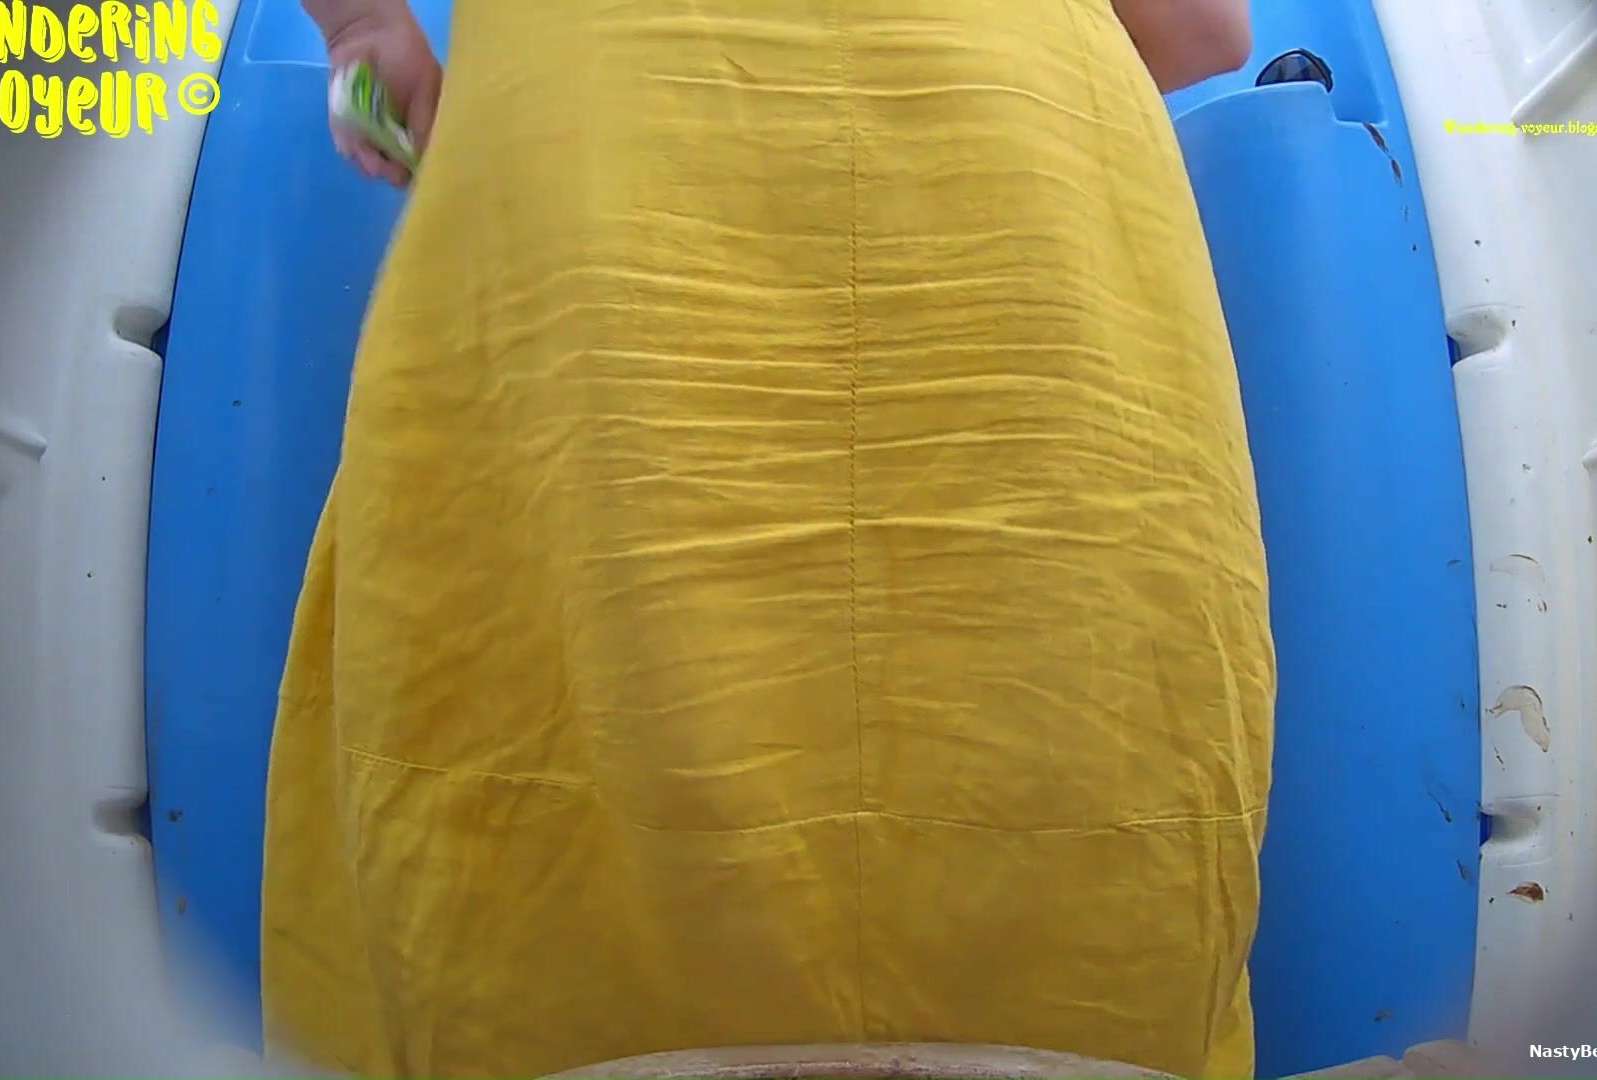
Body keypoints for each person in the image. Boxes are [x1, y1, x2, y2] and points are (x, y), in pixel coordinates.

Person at [261, 1, 1270, 1076]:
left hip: (589, 142)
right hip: (1008, 174)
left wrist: (365, 29)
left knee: (538, 759)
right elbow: (1201, 30)